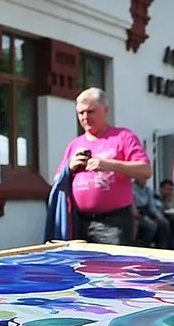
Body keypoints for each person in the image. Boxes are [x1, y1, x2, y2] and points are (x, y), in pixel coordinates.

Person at [58, 88, 152, 245]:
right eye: (81, 113)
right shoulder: (75, 144)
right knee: (81, 268)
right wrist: (69, 168)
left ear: (106, 110)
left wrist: (109, 164)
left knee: (113, 269)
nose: (85, 117)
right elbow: (57, 181)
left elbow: (145, 170)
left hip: (113, 223)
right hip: (79, 222)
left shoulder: (123, 137)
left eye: (91, 111)